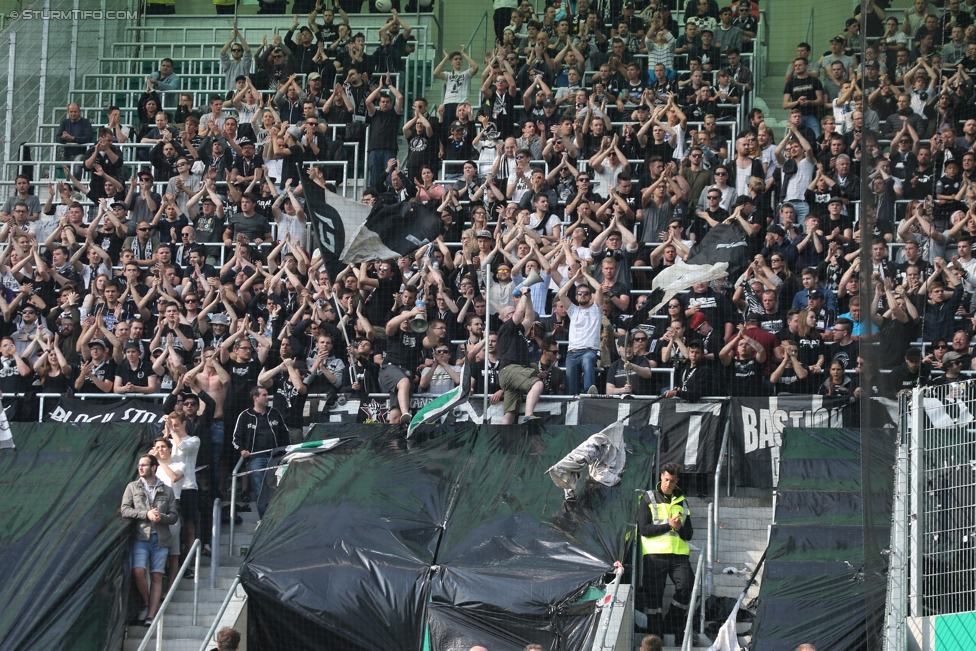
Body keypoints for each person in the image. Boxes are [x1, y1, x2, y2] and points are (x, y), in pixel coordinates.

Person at [120, 454, 179, 627]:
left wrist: (162, 517)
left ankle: (151, 615)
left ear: (153, 467)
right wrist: (145, 515)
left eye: (144, 465)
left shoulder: (166, 490)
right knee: (138, 571)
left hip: (160, 539)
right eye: (139, 465)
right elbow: (124, 509)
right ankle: (147, 602)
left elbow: (174, 516)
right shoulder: (132, 487)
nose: (140, 468)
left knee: (157, 576)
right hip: (140, 537)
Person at [638, 462, 694, 641]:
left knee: (686, 587)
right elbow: (644, 529)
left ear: (677, 480)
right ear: (661, 476)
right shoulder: (648, 497)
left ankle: (670, 623)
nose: (668, 484)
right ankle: (655, 638)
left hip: (679, 555)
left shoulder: (683, 502)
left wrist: (678, 528)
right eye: (666, 479)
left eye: (672, 481)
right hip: (654, 555)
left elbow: (689, 534)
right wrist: (668, 525)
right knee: (654, 598)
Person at [232, 386, 289, 521]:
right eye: (264, 395)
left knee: (278, 491)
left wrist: (285, 452)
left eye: (267, 394)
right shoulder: (245, 415)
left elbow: (285, 434)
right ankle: (264, 522)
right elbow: (236, 438)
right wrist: (242, 450)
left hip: (275, 458)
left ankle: (277, 521)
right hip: (256, 459)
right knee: (260, 491)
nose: (267, 397)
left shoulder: (275, 413)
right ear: (255, 398)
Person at [497, 292, 545, 424]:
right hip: (512, 369)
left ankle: (502, 439)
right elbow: (520, 312)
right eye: (512, 311)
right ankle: (529, 415)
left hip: (510, 372)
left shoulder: (517, 330)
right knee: (537, 383)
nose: (516, 310)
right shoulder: (507, 327)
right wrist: (524, 293)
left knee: (510, 413)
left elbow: (529, 318)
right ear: (507, 317)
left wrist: (528, 298)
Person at [558, 268, 604, 394]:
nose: (583, 295)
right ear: (576, 296)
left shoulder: (596, 309)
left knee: (588, 360)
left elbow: (599, 289)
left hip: (589, 351)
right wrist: (574, 278)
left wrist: (585, 274)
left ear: (590, 296)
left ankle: (589, 391)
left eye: (586, 293)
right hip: (571, 353)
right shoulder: (573, 310)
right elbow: (561, 293)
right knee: (571, 390)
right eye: (580, 293)